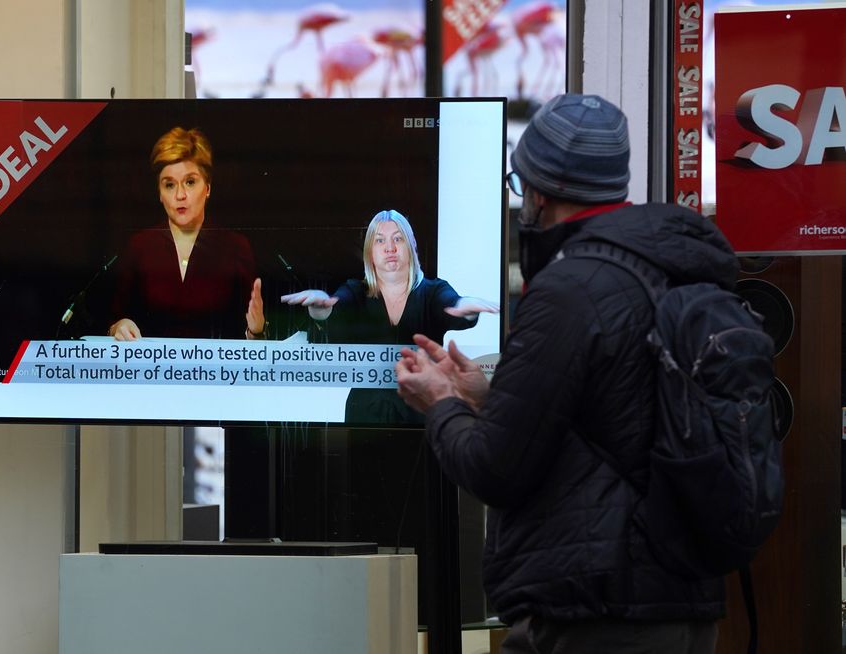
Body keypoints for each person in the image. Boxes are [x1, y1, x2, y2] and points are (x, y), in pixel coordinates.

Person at [395, 94, 731, 653]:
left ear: (539, 191)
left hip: (598, 610)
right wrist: (488, 396)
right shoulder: (666, 270)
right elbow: (617, 417)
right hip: (677, 603)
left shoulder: (570, 290)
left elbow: (495, 469)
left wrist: (441, 403)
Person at [281, 208, 498, 423]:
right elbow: (335, 310)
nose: (390, 248)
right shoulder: (355, 290)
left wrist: (466, 307)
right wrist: (320, 309)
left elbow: (452, 305)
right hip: (365, 416)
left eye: (398, 239)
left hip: (422, 413)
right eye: (380, 241)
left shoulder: (433, 291)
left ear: (411, 246)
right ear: (370, 253)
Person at [109, 127, 265, 340]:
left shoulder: (235, 247)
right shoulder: (140, 246)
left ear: (207, 188)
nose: (180, 195)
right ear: (160, 193)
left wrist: (256, 331)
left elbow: (250, 338)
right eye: (169, 185)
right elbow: (114, 320)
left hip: (216, 371)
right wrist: (118, 325)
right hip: (151, 370)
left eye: (190, 182)